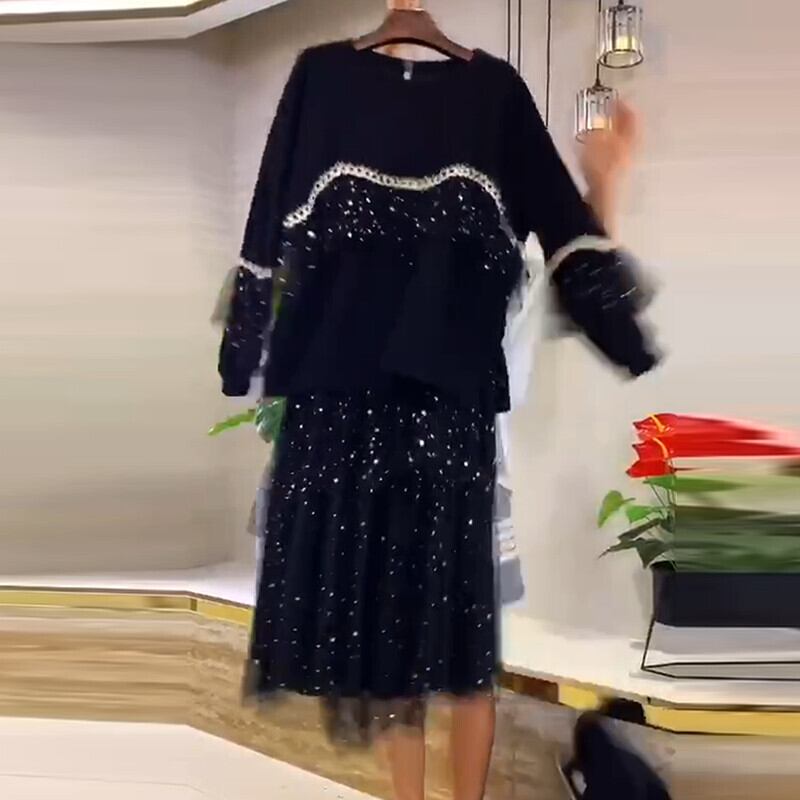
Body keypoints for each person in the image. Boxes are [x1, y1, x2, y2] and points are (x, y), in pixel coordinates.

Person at [218, 41, 655, 800]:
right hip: (386, 455)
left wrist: (604, 182)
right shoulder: (336, 110)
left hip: (468, 466)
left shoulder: (498, 237)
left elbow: (572, 269)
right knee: (410, 662)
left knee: (457, 664)